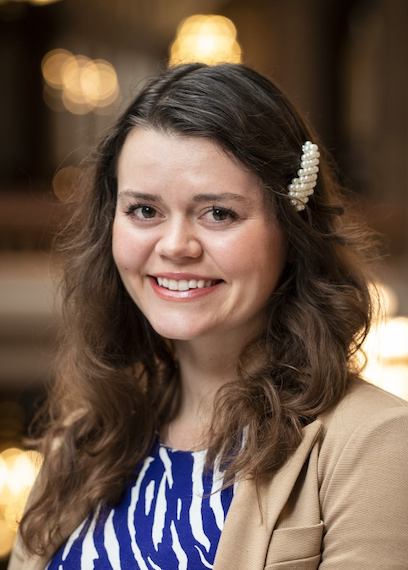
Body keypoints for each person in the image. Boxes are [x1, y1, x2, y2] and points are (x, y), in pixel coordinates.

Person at [8, 63, 408, 570]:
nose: (175, 246)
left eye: (218, 213)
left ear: (292, 230)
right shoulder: (82, 441)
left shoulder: (378, 443)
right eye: (144, 210)